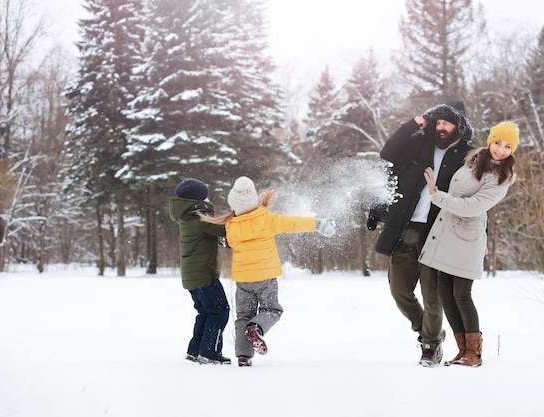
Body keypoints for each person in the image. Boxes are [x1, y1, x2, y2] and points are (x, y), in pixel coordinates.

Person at [367, 99, 474, 366]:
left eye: (447, 122)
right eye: (437, 122)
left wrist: (480, 237)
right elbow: (387, 156)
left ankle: (430, 345)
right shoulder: (416, 143)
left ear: (458, 125)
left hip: (439, 231)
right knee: (399, 290)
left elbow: (476, 198)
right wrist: (411, 124)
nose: (441, 127)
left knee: (433, 297)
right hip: (406, 227)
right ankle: (427, 331)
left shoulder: (468, 157)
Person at [200, 176, 336, 367]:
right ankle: (257, 327)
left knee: (243, 316)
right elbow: (292, 223)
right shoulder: (266, 219)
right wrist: (317, 223)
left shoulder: (231, 225)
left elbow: (228, 242)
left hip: (243, 279)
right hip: (265, 276)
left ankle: (243, 356)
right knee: (272, 309)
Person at [419, 120, 519, 367]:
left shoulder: (501, 177)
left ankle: (474, 353)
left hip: (467, 237)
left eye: (507, 146)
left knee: (462, 294)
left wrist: (436, 196)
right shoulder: (473, 162)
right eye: (498, 142)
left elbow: (474, 206)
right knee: (445, 292)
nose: (501, 150)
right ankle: (462, 351)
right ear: (490, 140)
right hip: (448, 232)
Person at [168, 178, 231, 365]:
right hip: (204, 276)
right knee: (220, 311)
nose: (210, 199)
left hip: (193, 277)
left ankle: (195, 351)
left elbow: (215, 236)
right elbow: (227, 231)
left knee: (205, 312)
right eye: (206, 196)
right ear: (199, 201)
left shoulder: (189, 219)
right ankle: (209, 353)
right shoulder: (200, 219)